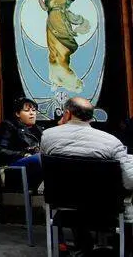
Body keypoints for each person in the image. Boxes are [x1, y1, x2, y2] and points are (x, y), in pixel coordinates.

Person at [41, 97, 133, 254]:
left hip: (63, 205)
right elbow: (129, 182)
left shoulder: (47, 136)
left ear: (67, 114)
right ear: (91, 117)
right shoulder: (112, 142)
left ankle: (83, 244)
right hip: (106, 209)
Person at [35, 0, 90, 92]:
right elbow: (45, 8)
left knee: (63, 53)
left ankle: (73, 83)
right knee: (53, 53)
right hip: (51, 24)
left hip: (62, 23)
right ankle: (55, 80)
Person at [0, 97, 43, 189]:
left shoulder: (38, 129)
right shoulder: (8, 126)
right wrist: (24, 154)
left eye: (34, 110)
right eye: (27, 110)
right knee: (40, 158)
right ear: (17, 113)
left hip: (33, 166)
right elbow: (1, 150)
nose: (32, 113)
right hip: (13, 167)